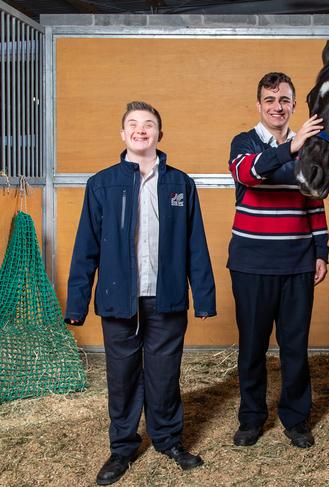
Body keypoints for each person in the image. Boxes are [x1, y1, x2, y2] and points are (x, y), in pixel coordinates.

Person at [65, 101, 216, 485]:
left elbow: (195, 244)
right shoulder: (102, 184)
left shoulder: (180, 184)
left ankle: (168, 441)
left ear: (159, 135)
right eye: (133, 124)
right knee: (122, 377)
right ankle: (122, 449)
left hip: (165, 298)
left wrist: (204, 296)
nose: (141, 129)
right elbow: (86, 247)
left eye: (148, 124)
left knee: (165, 375)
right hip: (119, 301)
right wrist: (77, 304)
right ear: (123, 135)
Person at [227, 72, 328, 449]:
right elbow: (249, 174)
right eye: (270, 100)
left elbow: (314, 200)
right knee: (252, 347)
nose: (277, 107)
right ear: (259, 105)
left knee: (295, 347)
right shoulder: (244, 142)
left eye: (284, 100)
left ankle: (295, 419)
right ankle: (252, 419)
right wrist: (291, 147)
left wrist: (321, 252)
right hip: (251, 264)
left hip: (297, 263)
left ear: (294, 105)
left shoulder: (309, 148)